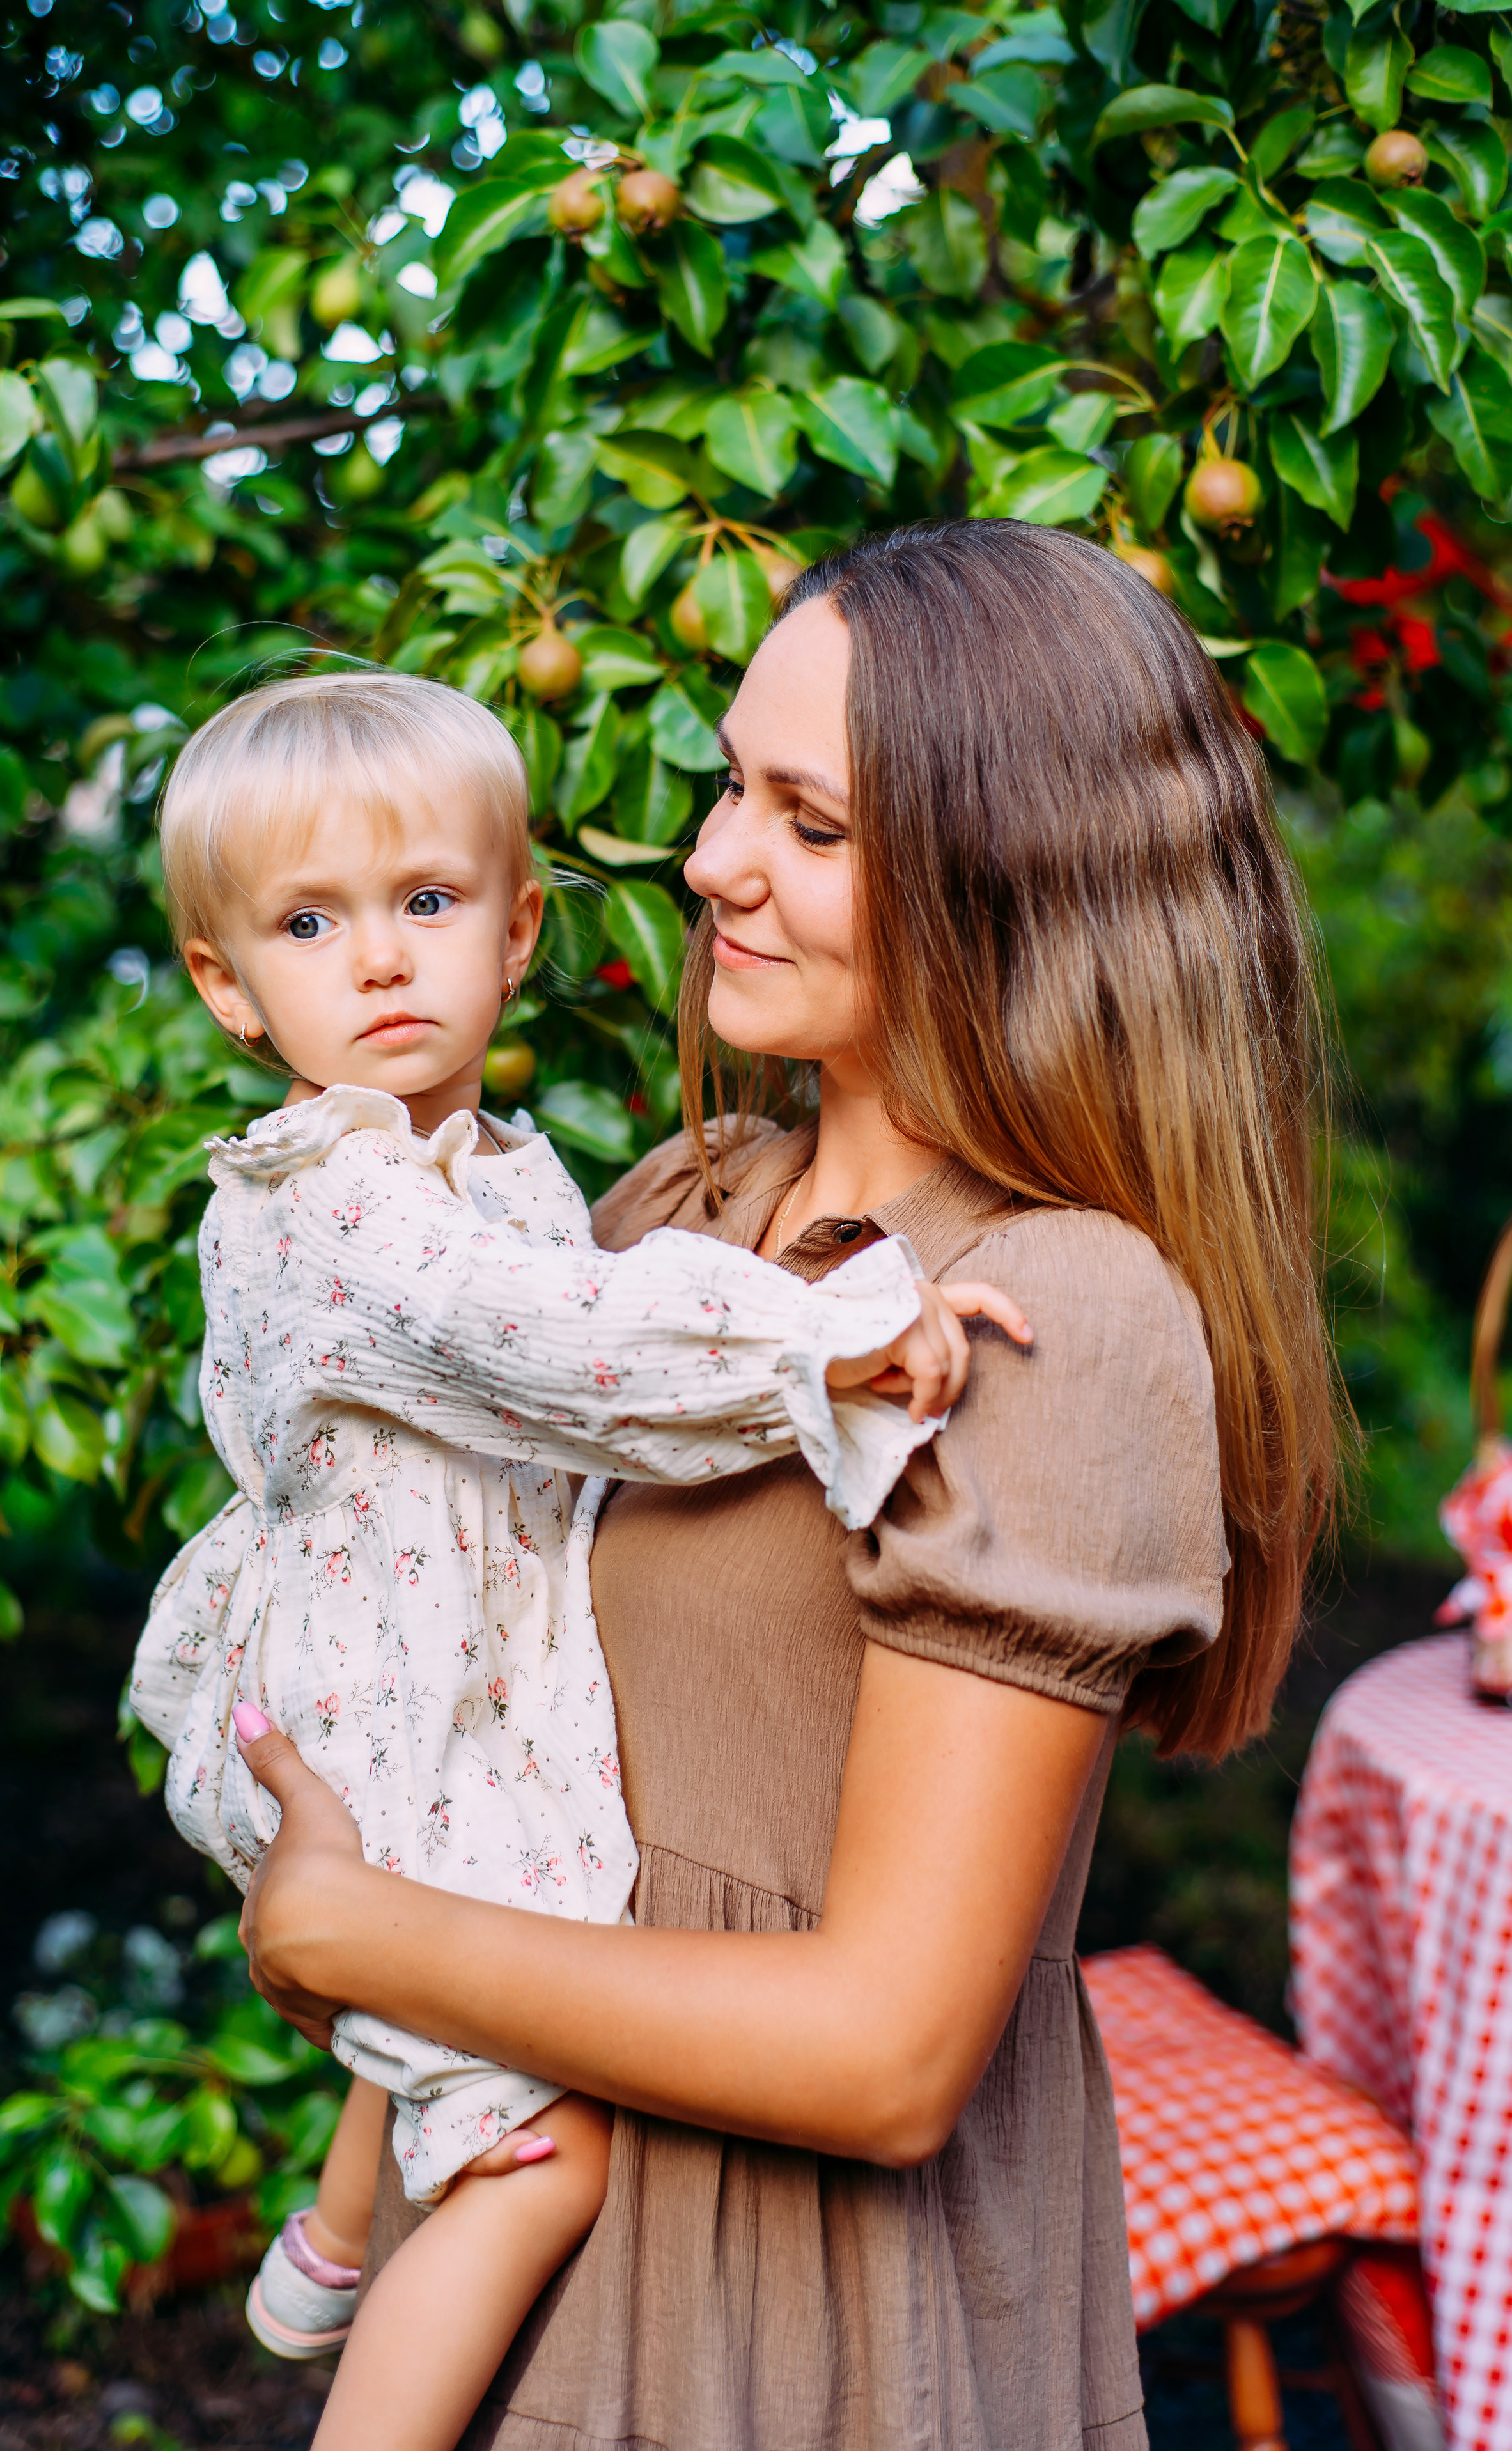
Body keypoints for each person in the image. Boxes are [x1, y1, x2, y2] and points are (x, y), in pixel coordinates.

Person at [233, 520, 1343, 2451]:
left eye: (809, 823)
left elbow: (895, 2050)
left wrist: (357, 1933)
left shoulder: (1050, 1312)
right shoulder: (689, 1212)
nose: (712, 860)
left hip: (796, 2321)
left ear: (1014, 870)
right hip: (535, 2208)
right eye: (736, 787)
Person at [129, 665, 1027, 2448]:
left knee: (493, 1933)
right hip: (374, 1698)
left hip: (444, 1678)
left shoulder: (497, 1167)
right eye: (312, 922)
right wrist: (819, 1340)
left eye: (427, 903)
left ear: (519, 924)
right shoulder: (344, 1202)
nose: (380, 960)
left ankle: (331, 2224)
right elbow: (560, 1342)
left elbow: (566, 1302)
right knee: (546, 2158)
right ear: (231, 985)